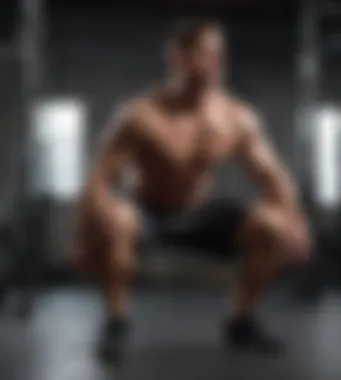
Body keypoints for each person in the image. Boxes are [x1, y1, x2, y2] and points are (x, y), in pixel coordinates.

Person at [72, 18, 310, 359]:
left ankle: (240, 322)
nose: (217, 64)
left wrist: (298, 224)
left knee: (271, 225)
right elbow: (98, 179)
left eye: (220, 55)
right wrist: (82, 236)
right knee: (117, 219)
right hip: (147, 212)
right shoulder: (141, 115)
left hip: (200, 213)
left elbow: (273, 176)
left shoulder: (235, 117)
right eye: (206, 53)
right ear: (177, 57)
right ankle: (116, 322)